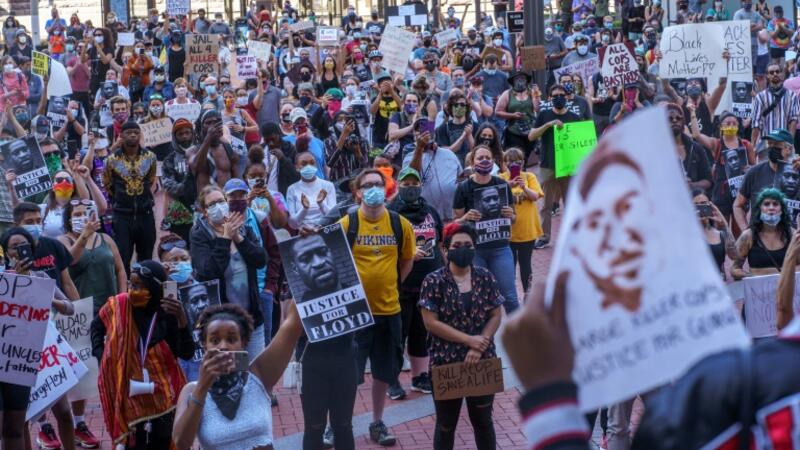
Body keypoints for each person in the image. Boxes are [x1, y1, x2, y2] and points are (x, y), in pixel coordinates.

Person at [336, 168, 416, 447]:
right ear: (357, 192)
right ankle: (339, 423)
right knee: (347, 374)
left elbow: (407, 260)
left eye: (378, 184)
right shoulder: (347, 224)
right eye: (367, 185)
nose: (373, 189)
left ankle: (377, 422)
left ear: (386, 189)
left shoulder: (399, 224)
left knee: (383, 372)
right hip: (354, 315)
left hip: (389, 311)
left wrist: (390, 283)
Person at [171, 300, 303, 450]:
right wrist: (202, 387)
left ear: (243, 343)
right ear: (204, 345)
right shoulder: (191, 391)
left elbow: (292, 325)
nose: (223, 346)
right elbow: (181, 443)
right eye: (215, 340)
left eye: (231, 339)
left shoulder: (259, 374)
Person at [91, 260, 193, 449]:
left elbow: (186, 353)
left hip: (163, 396)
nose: (132, 290)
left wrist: (181, 320)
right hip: (129, 395)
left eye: (139, 286)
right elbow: (96, 327)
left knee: (162, 443)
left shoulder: (169, 311)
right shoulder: (120, 305)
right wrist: (103, 357)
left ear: (154, 287)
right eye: (131, 284)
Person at [419, 222, 502, 450]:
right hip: (446, 362)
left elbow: (496, 314)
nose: (463, 249)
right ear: (445, 249)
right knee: (446, 425)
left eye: (468, 245)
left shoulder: (485, 277)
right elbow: (430, 322)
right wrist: (469, 340)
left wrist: (479, 345)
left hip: (481, 361)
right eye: (457, 245)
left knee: (483, 422)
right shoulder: (433, 281)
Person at [0, 227, 76, 450]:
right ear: (5, 252)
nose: (18, 251)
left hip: (44, 355)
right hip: (14, 359)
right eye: (14, 247)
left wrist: (46, 298)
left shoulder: (41, 278)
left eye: (23, 246)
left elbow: (70, 308)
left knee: (63, 412)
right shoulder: (3, 281)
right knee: (17, 423)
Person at [190, 184, 268, 360]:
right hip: (222, 324)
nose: (218, 206)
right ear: (204, 211)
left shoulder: (243, 228)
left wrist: (238, 238)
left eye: (221, 201)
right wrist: (225, 239)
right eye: (212, 204)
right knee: (228, 371)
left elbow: (260, 259)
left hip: (251, 319)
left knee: (255, 370)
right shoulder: (199, 235)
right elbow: (208, 272)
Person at [386, 166, 442, 399]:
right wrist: (407, 254)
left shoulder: (431, 212)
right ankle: (391, 380)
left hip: (428, 285)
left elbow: (440, 243)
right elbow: (384, 248)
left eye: (414, 183)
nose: (411, 188)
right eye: (406, 184)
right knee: (398, 334)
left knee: (422, 332)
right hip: (401, 284)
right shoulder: (390, 214)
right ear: (399, 186)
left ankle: (420, 377)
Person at [453, 145, 519, 314]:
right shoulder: (463, 188)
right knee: (479, 299)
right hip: (475, 251)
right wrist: (466, 217)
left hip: (501, 249)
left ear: (493, 161)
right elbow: (456, 224)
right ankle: (484, 332)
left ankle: (519, 331)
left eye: (488, 158)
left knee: (510, 297)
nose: (484, 161)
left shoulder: (502, 185)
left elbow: (513, 219)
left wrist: (511, 215)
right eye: (480, 158)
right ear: (472, 162)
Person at [528, 84, 582, 249]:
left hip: (568, 167)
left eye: (562, 95)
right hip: (548, 166)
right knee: (546, 205)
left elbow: (581, 143)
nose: (559, 98)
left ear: (566, 98)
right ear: (550, 98)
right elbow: (531, 136)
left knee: (570, 203)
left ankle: (573, 237)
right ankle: (544, 237)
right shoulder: (544, 115)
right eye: (555, 95)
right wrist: (548, 125)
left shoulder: (574, 117)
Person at [102, 120, 158, 273]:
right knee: (122, 257)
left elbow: (151, 179)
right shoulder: (111, 160)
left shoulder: (150, 157)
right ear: (121, 135)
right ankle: (124, 287)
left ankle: (145, 285)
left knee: (146, 257)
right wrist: (120, 199)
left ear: (140, 135)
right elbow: (108, 184)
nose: (133, 135)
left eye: (136, 132)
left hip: (145, 214)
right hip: (122, 216)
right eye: (128, 132)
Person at [498, 148, 543, 293]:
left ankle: (527, 292)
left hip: (527, 230)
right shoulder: (500, 178)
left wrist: (524, 187)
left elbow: (535, 196)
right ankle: (511, 294)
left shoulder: (529, 177)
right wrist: (508, 185)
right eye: (510, 162)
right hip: (508, 232)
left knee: (525, 264)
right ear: (504, 163)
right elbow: (495, 198)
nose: (514, 165)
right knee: (509, 266)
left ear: (523, 163)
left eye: (518, 162)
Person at [733, 128, 795, 231]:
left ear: (789, 149)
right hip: (759, 236)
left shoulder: (796, 174)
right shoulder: (754, 172)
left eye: (776, 144)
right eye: (769, 144)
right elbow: (737, 205)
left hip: (789, 236)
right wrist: (745, 231)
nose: (771, 148)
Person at [733, 187, 795, 279]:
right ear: (760, 209)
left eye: (775, 204)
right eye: (766, 204)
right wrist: (753, 278)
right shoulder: (748, 236)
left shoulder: (792, 234)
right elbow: (734, 268)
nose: (771, 208)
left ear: (782, 209)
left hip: (786, 287)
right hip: (757, 287)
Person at [286, 151, 337, 228]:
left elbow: (334, 216)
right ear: (297, 167)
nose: (309, 167)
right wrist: (304, 209)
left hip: (325, 230)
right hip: (304, 232)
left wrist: (321, 203)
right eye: (304, 164)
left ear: (316, 165)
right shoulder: (292, 189)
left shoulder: (328, 185)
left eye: (312, 163)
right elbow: (293, 224)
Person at [751, 62, 798, 145]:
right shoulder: (760, 97)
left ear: (782, 74)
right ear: (767, 76)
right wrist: (753, 145)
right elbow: (756, 123)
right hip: (766, 143)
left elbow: (793, 121)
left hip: (784, 143)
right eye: (771, 72)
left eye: (777, 71)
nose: (775, 74)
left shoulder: (792, 96)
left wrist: (790, 143)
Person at [692, 189, 737, 275]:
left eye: (703, 203)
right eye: (696, 205)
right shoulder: (685, 235)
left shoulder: (719, 234)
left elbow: (734, 255)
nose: (700, 208)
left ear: (710, 205)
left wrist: (724, 224)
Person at [495, 71, 536, 161]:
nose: (520, 80)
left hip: (530, 130)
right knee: (517, 156)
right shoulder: (507, 94)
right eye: (517, 78)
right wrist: (512, 115)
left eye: (523, 78)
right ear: (513, 81)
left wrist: (536, 96)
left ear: (526, 80)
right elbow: (497, 112)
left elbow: (537, 109)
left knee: (528, 156)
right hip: (513, 131)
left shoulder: (532, 92)